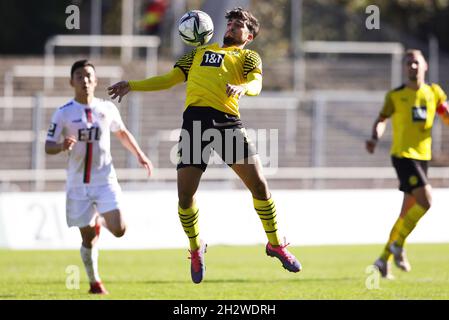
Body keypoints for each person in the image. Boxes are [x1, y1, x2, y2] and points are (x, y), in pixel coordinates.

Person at [108, 7, 301, 284]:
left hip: (227, 123)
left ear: (249, 36)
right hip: (195, 125)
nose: (233, 26)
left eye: (239, 25)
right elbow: (168, 80)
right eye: (231, 22)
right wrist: (133, 85)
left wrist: (242, 88)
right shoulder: (197, 53)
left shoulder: (247, 56)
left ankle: (275, 244)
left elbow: (256, 83)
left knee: (259, 185)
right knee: (185, 198)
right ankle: (196, 248)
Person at [45, 60, 153, 294]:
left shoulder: (107, 108)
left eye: (88, 76)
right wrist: (62, 145)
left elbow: (122, 133)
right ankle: (94, 282)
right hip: (77, 184)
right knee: (88, 239)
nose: (84, 80)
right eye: (79, 76)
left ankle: (100, 221)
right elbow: (48, 146)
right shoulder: (63, 113)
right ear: (71, 81)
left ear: (95, 81)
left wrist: (140, 155)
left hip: (105, 180)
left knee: (120, 229)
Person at [366, 49, 449, 279]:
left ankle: (382, 260)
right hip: (403, 156)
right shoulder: (395, 96)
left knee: (406, 213)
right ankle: (398, 245)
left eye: (416, 63)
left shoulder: (434, 93)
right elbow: (381, 119)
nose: (412, 66)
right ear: (404, 67)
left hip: (423, 158)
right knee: (427, 200)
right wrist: (375, 137)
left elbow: (445, 113)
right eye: (408, 63)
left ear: (425, 66)